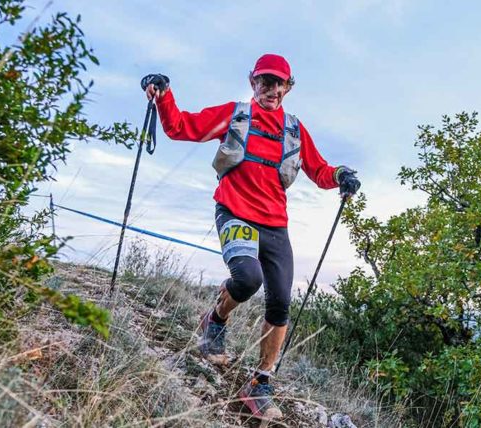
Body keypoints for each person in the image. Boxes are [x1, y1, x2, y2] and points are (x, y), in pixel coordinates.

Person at [145, 53, 360, 419]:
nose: (272, 89)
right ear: (252, 82)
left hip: (275, 224)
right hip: (234, 211)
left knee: (280, 304)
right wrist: (163, 95)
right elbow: (181, 127)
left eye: (279, 83)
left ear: (288, 88)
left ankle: (260, 384)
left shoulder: (293, 128)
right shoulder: (235, 115)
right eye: (265, 81)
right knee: (247, 278)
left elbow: (319, 169)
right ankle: (215, 319)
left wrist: (340, 175)